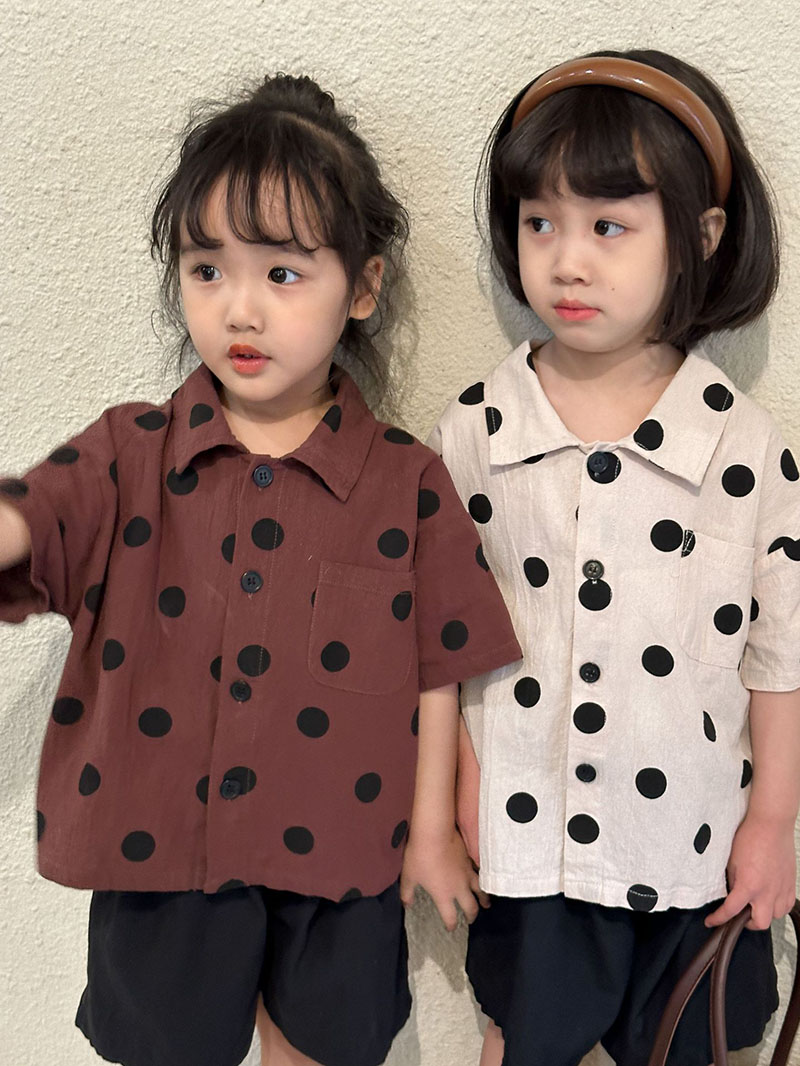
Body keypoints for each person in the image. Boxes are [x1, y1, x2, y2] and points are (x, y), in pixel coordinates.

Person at [0, 73, 521, 1066]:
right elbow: (37, 512)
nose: (239, 307)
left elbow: (436, 668)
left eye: (282, 273)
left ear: (361, 288)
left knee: (319, 1048)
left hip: (341, 854)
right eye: (206, 269)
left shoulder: (405, 480)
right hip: (158, 850)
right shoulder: (128, 453)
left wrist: (430, 829)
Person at [431, 49, 800, 1066]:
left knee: (692, 1044)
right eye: (538, 222)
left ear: (700, 238)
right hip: (527, 840)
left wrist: (773, 822)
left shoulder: (743, 446)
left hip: (694, 841)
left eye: (608, 226)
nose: (566, 261)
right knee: (519, 1040)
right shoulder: (473, 434)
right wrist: (453, 796)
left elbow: (780, 654)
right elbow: (442, 644)